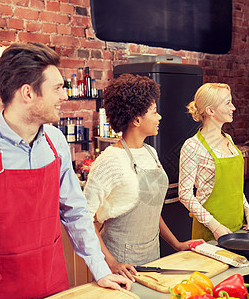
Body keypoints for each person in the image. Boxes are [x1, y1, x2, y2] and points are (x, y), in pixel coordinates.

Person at [0, 43, 132, 299]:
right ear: (27, 93)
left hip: (53, 284)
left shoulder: (55, 141)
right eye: (57, 88)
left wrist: (100, 270)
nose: (64, 97)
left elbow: (76, 212)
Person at [83, 74, 201, 280]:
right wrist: (112, 263)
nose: (159, 117)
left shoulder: (149, 153)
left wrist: (177, 244)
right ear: (137, 119)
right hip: (120, 263)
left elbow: (151, 209)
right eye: (154, 112)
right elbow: (85, 220)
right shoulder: (109, 161)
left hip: (153, 257)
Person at [179, 83, 249, 242]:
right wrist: (215, 227)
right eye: (228, 103)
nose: (234, 108)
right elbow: (185, 194)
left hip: (238, 226)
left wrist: (248, 211)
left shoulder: (228, 139)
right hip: (210, 232)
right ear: (210, 111)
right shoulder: (192, 146)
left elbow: (234, 186)